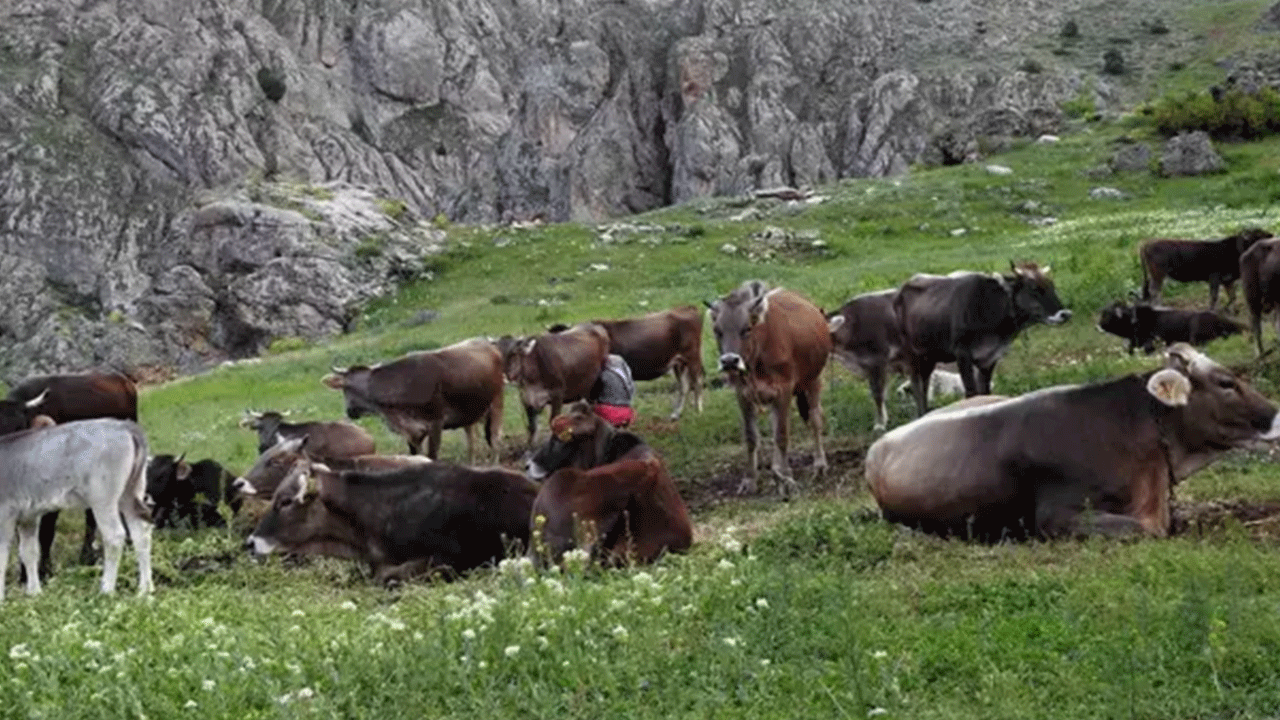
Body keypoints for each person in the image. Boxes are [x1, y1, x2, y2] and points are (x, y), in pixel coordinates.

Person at [591, 354, 635, 427]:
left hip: (607, 413)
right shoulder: (627, 376)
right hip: (626, 413)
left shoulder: (605, 374)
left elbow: (593, 393)